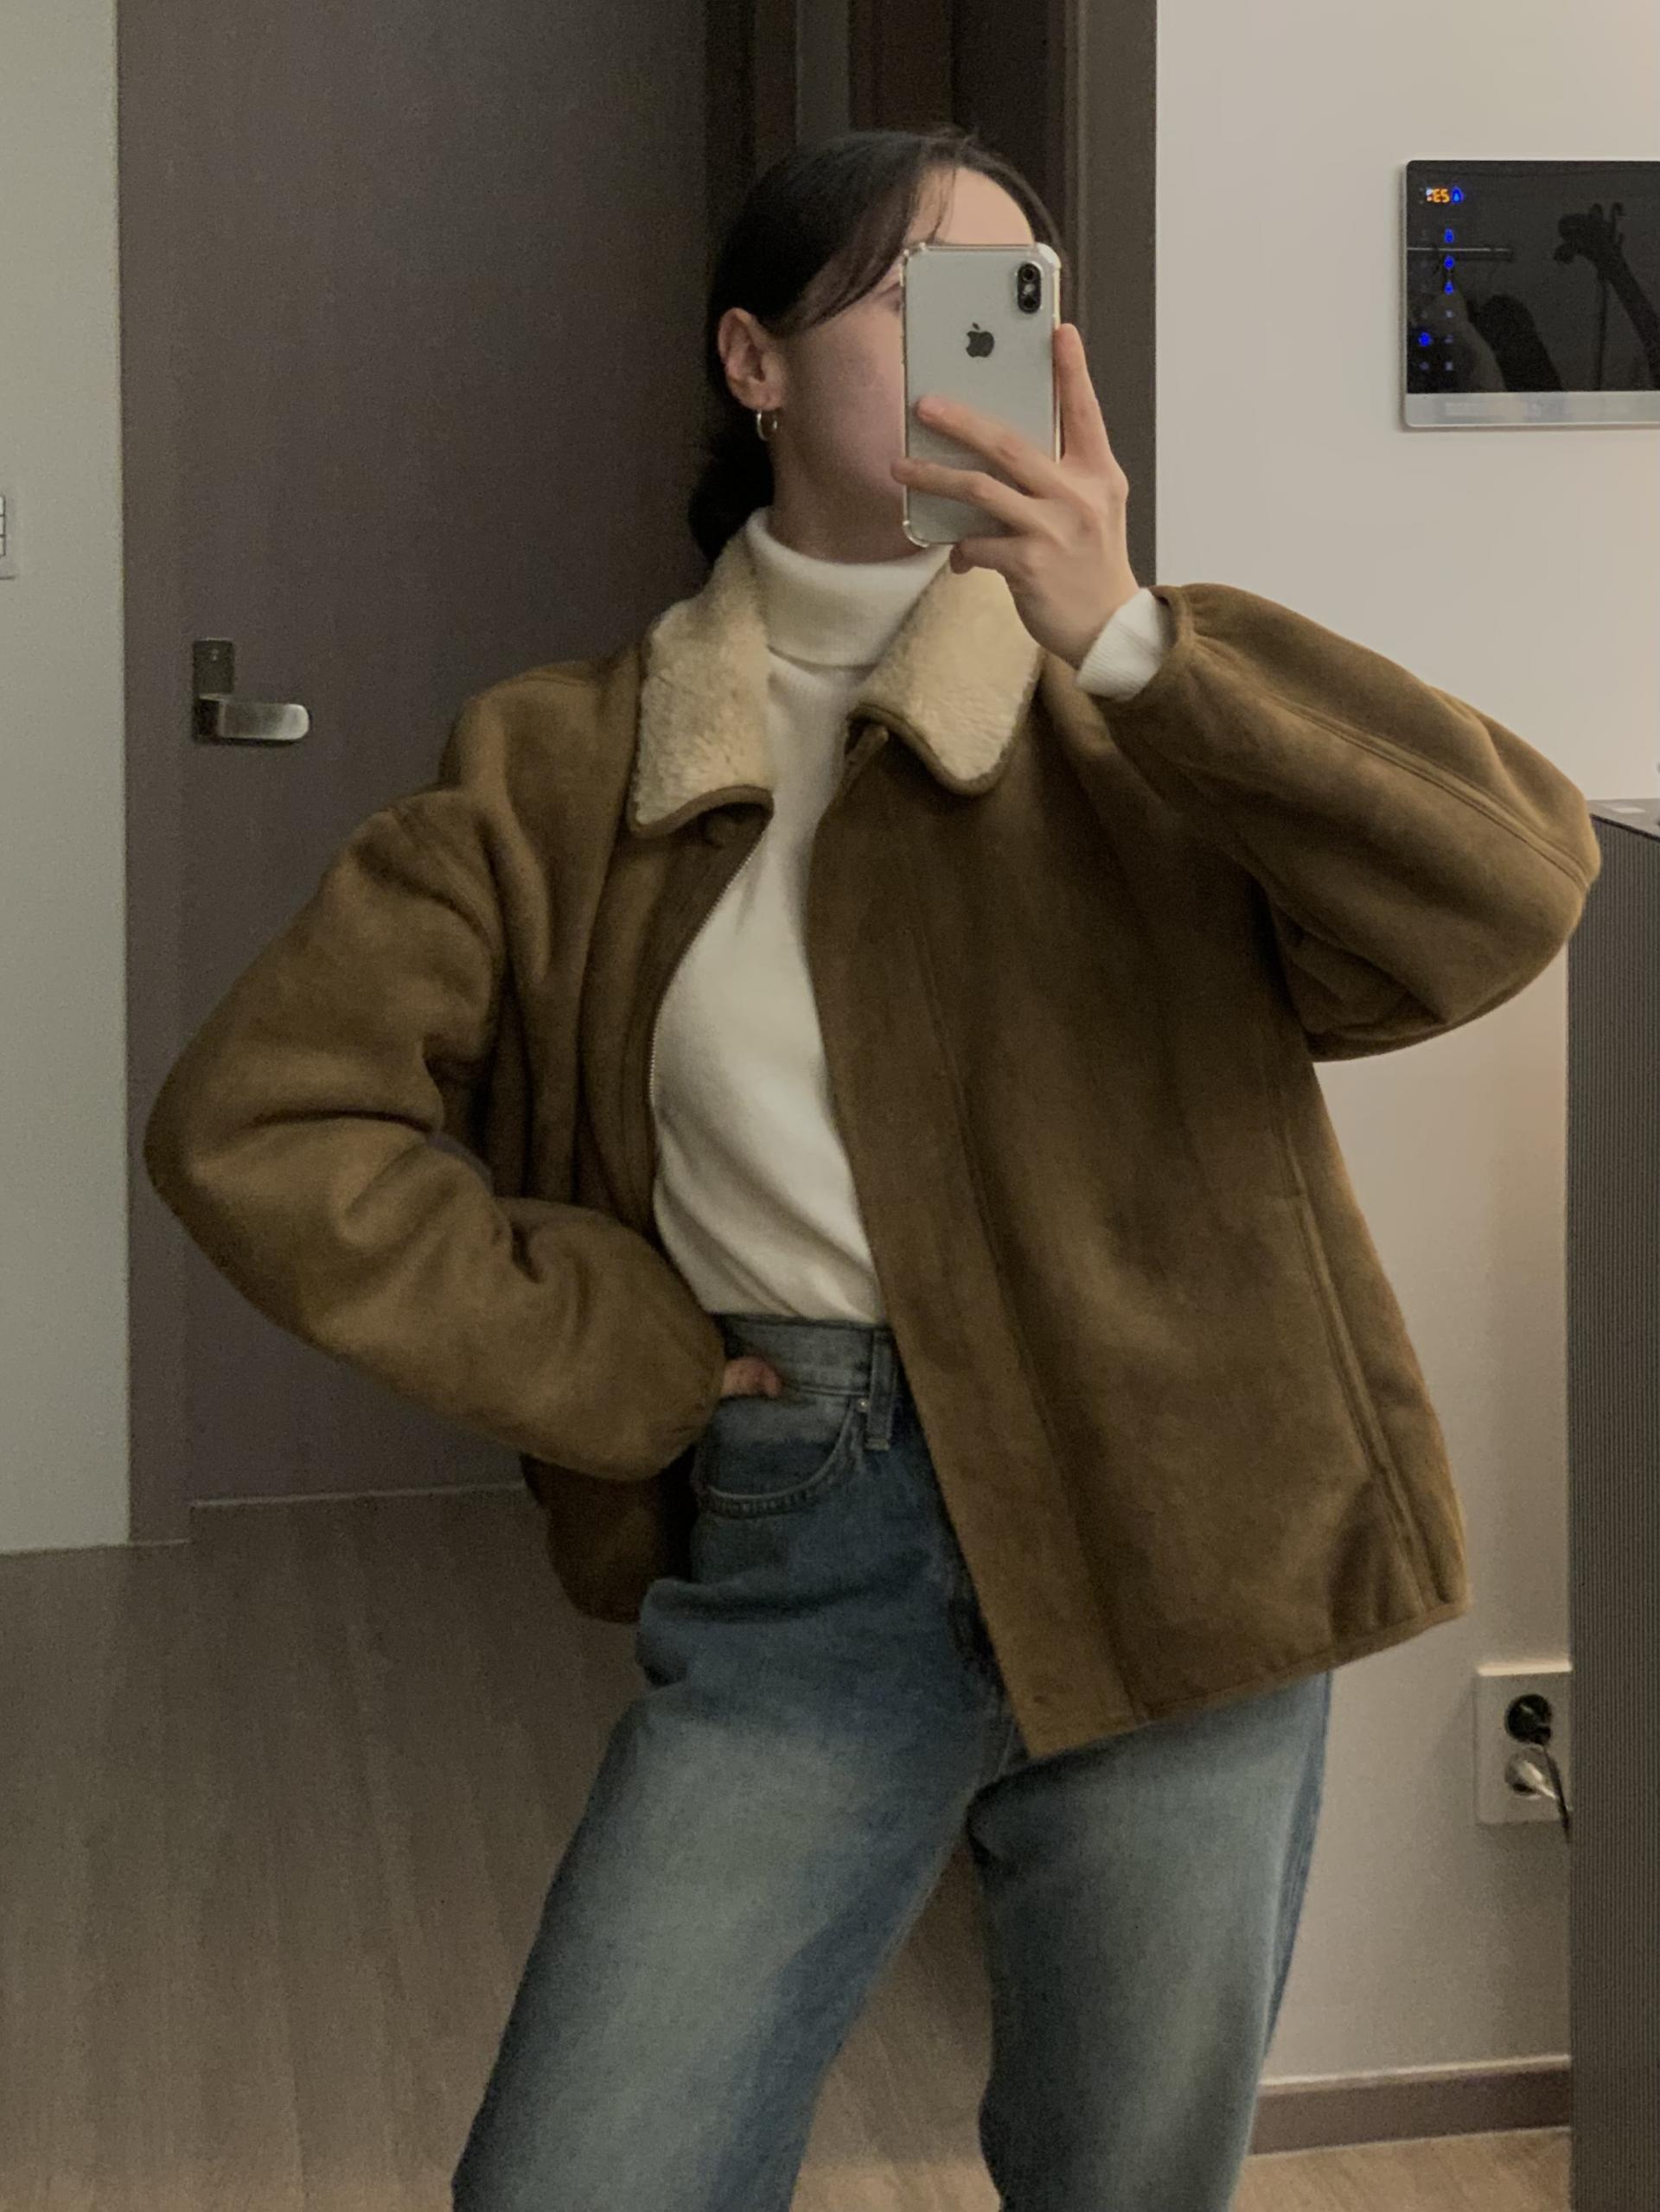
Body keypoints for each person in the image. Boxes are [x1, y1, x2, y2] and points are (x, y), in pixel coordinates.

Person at [143, 124, 1603, 2212]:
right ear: (752, 359)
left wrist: (1125, 633)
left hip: (1188, 1513)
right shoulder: (561, 762)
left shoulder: (1140, 703)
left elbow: (1512, 885)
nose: (979, 346)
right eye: (920, 298)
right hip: (802, 1534)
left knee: (1127, 2178)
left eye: (1020, 298)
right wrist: (614, 1351)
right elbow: (258, 1119)